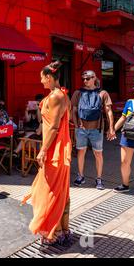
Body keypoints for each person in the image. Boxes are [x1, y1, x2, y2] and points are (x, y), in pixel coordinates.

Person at [22, 61, 72, 246]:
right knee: (60, 191)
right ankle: (64, 230)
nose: (41, 81)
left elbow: (53, 127)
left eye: (42, 78)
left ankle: (54, 232)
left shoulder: (55, 97)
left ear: (49, 77)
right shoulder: (62, 95)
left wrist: (43, 151)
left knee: (49, 192)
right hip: (60, 148)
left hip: (54, 150)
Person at [71, 70, 115, 190]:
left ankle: (99, 178)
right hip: (81, 129)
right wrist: (76, 125)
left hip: (97, 129)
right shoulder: (78, 93)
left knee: (98, 153)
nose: (85, 80)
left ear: (94, 78)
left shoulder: (102, 93)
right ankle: (81, 176)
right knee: (81, 152)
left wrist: (111, 128)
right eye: (84, 78)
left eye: (88, 78)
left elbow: (108, 111)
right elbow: (73, 110)